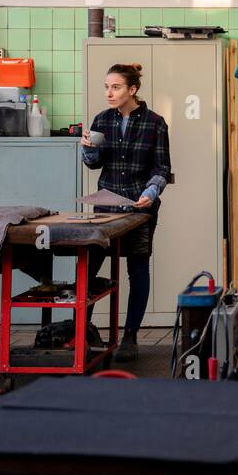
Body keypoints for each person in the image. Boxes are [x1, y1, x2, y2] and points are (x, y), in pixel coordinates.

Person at [81, 63, 171, 362]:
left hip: (138, 207)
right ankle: (84, 329)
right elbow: (93, 164)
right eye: (106, 87)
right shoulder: (101, 120)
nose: (109, 93)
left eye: (116, 87)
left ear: (132, 90)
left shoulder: (155, 123)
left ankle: (130, 336)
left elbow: (162, 167)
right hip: (105, 205)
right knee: (89, 266)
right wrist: (87, 149)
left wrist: (151, 192)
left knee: (137, 269)